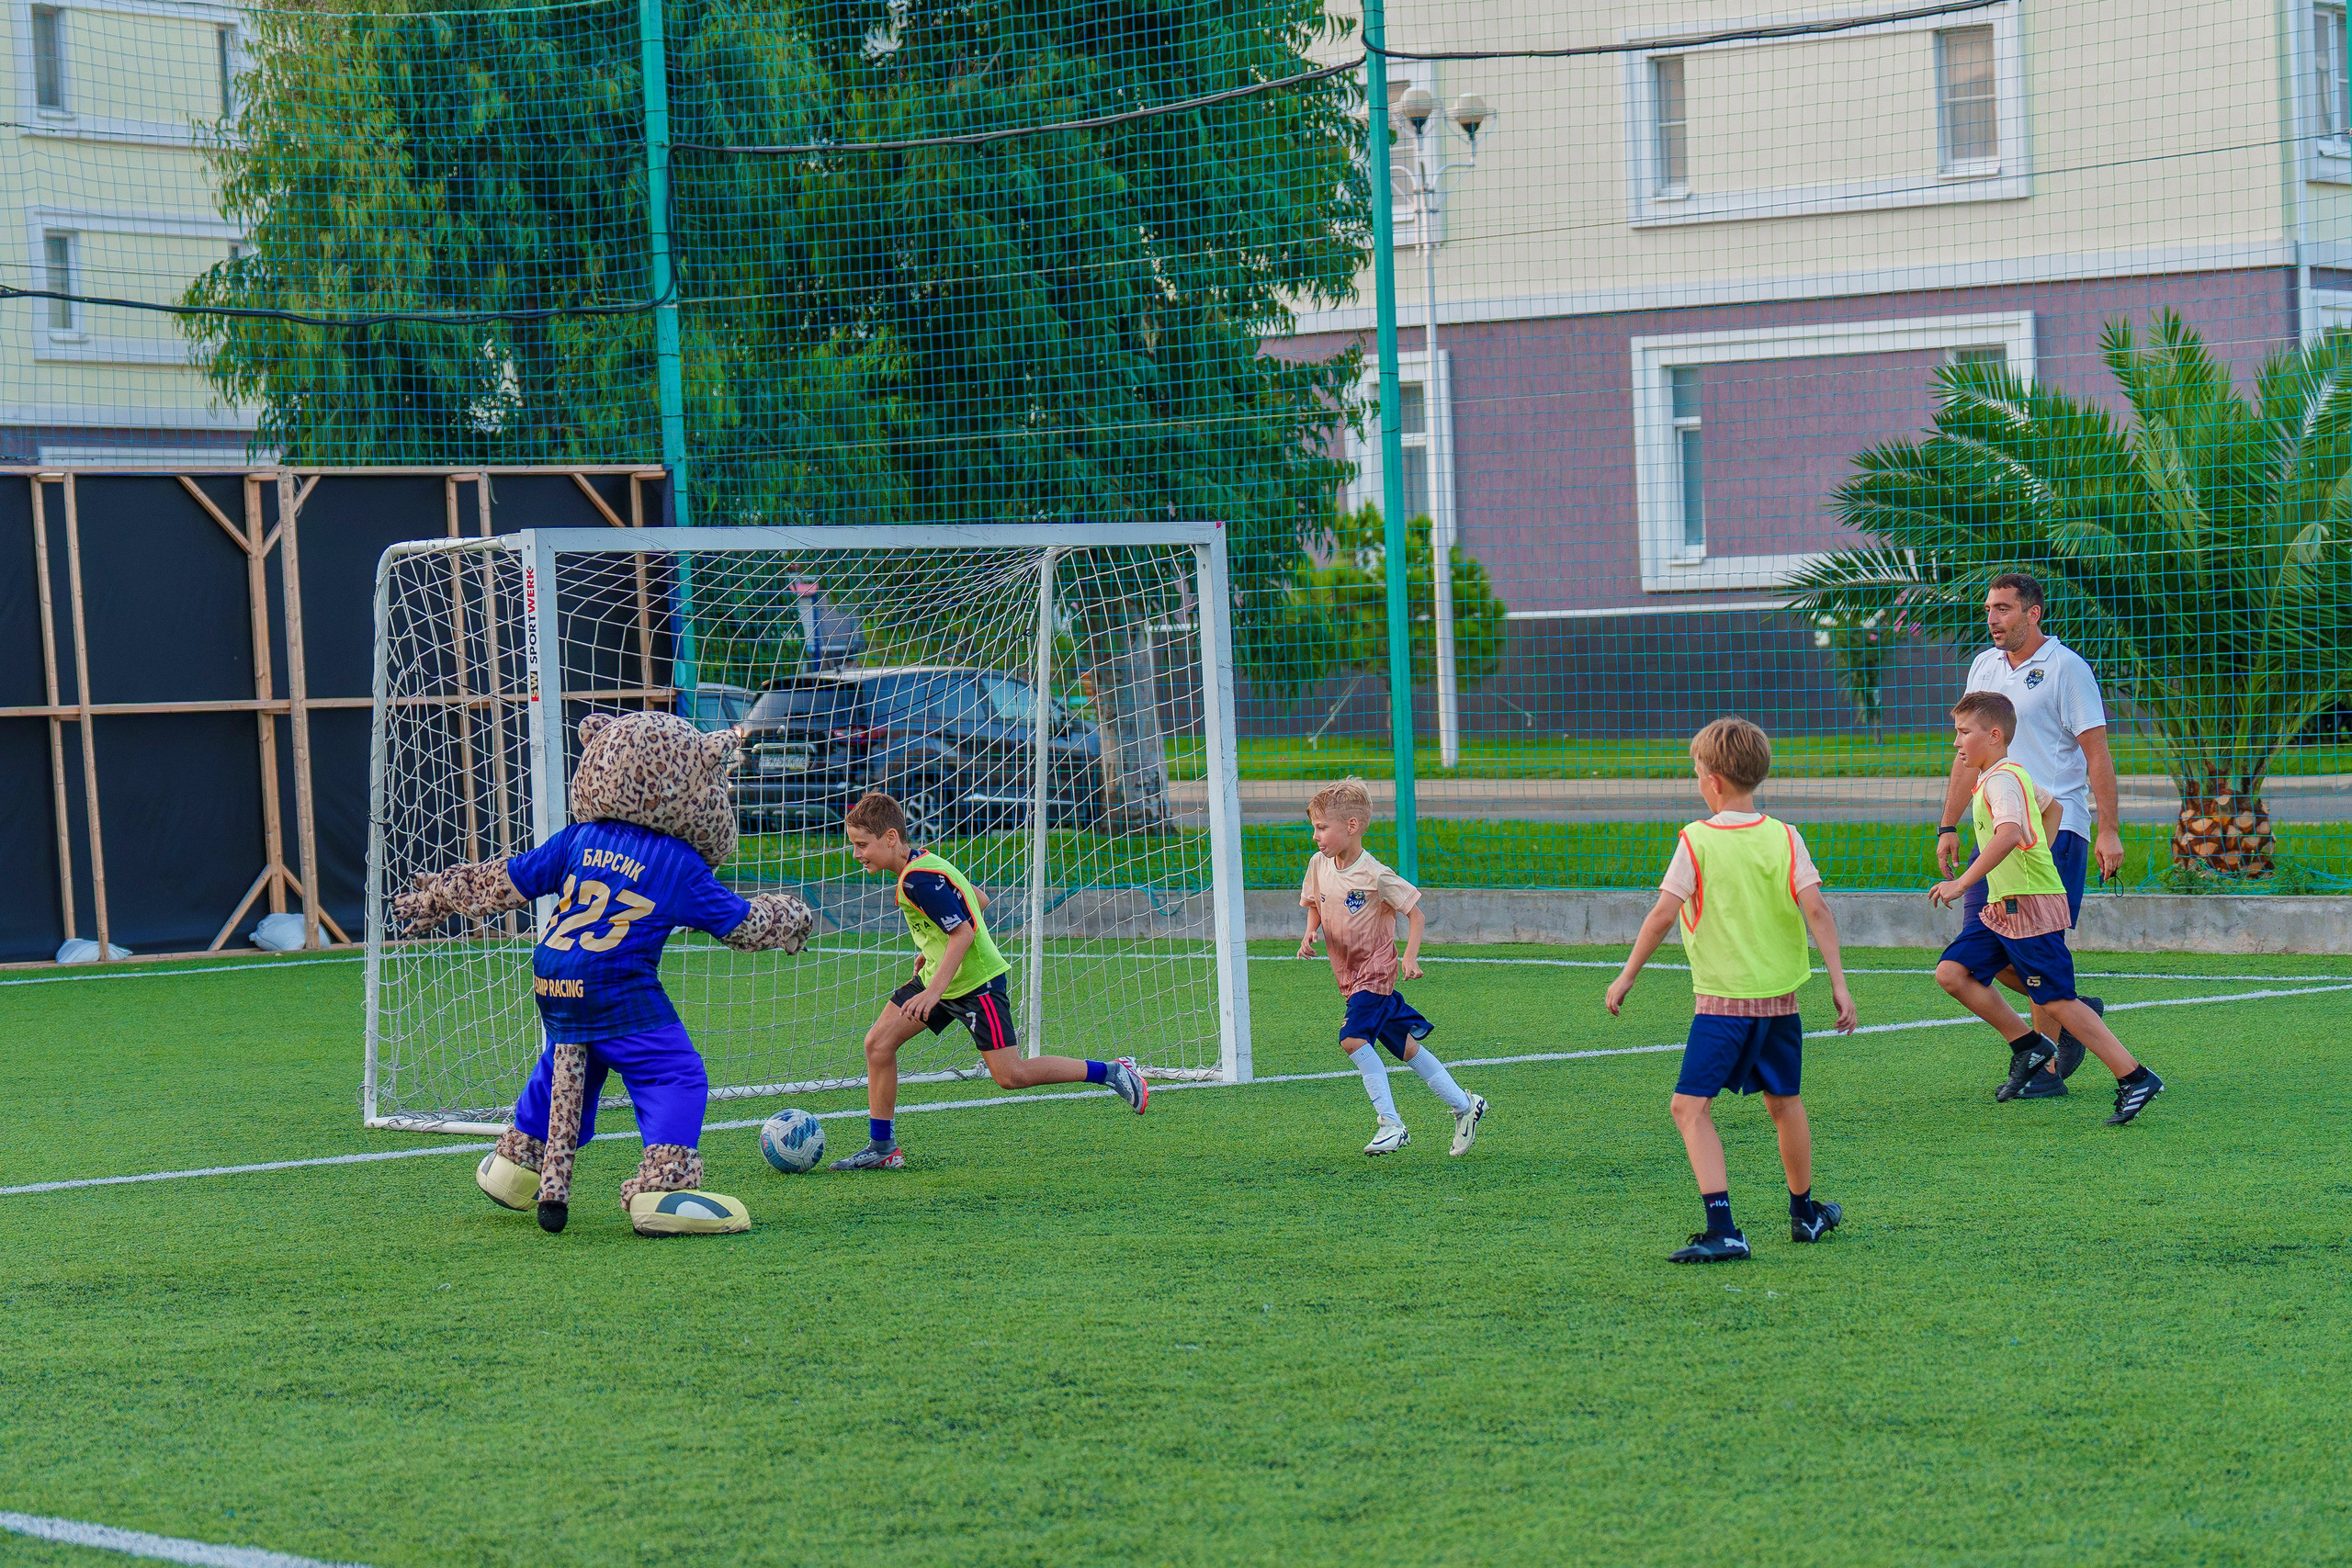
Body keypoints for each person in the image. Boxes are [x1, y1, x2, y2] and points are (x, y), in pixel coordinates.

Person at [1606, 716, 1857, 1263]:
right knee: (1784, 1102)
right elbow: (1817, 909)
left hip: (1723, 1008)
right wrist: (1839, 984)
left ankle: (1724, 1229)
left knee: (1688, 1108)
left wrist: (1627, 975)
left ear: (1713, 780)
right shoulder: (1785, 836)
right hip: (1781, 1003)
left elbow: (1662, 914)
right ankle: (1805, 1213)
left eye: (1697, 771)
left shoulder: (1696, 840)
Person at [828, 792, 1148, 1170]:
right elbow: (977, 899)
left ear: (891, 838)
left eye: (862, 845)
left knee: (1011, 1076)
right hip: (942, 977)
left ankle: (1112, 1071)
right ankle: (883, 1148)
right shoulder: (923, 862)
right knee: (878, 1045)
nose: (857, 854)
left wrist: (933, 990)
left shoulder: (918, 880)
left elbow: (963, 931)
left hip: (976, 985)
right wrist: (932, 948)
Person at [1929, 694, 2165, 1125]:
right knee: (1953, 972)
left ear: (1994, 736)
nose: (1956, 742)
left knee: (2057, 1001)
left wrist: (1962, 883)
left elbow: (2008, 834)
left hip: (2029, 906)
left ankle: (2135, 1077)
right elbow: (2051, 807)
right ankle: (2030, 1046)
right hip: (2004, 904)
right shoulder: (2006, 775)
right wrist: (2039, 852)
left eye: (1964, 732)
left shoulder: (2002, 781)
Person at [1937, 573, 2121, 1097]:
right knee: (1982, 947)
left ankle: (2046, 1072)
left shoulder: (2067, 668)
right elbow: (1967, 752)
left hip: (2053, 830)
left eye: (2003, 608)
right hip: (1994, 830)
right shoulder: (1984, 666)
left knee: (2038, 944)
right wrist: (1949, 824)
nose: (1992, 618)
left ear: (2033, 613)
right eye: (1988, 609)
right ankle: (2072, 1011)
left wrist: (2108, 831)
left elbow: (2097, 755)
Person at [1297, 777, 1487, 1156]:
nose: (1315, 836)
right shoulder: (1319, 864)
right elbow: (1315, 902)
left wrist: (1409, 957)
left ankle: (1391, 1124)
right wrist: (1310, 932)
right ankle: (1465, 1105)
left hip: (1376, 972)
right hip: (1349, 976)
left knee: (1352, 1039)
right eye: (1314, 827)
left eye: (1322, 827)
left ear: (1352, 826)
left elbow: (1416, 914)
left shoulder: (1375, 874)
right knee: (1405, 1048)